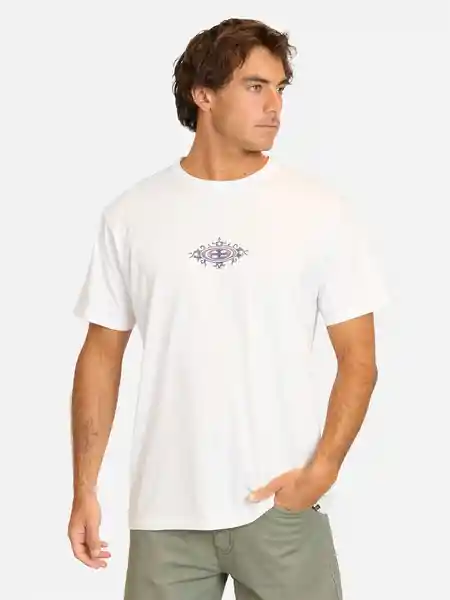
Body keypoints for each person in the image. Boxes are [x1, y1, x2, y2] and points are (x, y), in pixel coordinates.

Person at [68, 17, 389, 600]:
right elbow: (100, 355)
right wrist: (84, 487)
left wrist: (321, 472)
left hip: (281, 508)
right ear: (204, 95)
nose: (275, 106)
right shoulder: (132, 215)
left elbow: (359, 359)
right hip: (165, 514)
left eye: (280, 88)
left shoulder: (319, 211)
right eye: (255, 86)